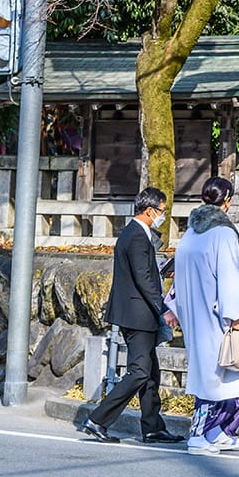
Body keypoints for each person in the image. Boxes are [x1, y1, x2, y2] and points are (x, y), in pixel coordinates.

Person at [79, 187, 180, 444]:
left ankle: (153, 427)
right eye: (161, 211)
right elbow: (143, 279)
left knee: (150, 374)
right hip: (138, 314)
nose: (163, 215)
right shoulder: (136, 236)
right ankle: (98, 419)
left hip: (137, 312)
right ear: (149, 210)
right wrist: (164, 309)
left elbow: (145, 273)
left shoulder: (137, 233)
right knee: (139, 372)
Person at [172, 176, 239, 453]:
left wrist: (175, 307)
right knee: (215, 377)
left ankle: (216, 431)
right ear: (227, 199)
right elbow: (229, 277)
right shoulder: (224, 232)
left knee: (215, 375)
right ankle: (198, 434)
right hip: (216, 316)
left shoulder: (192, 230)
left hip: (194, 312)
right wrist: (236, 317)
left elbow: (179, 271)